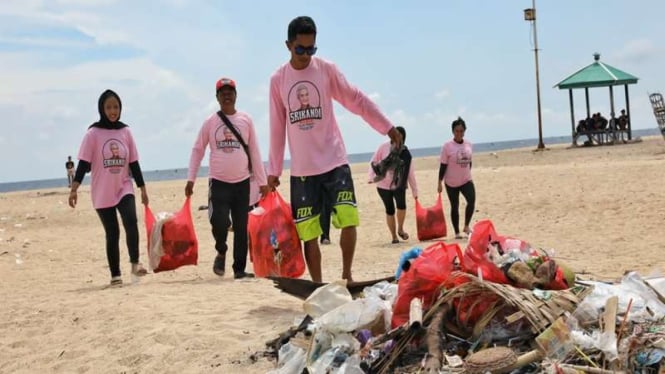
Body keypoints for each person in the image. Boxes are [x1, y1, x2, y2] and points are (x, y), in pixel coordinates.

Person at [267, 16, 402, 283]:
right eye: (300, 49)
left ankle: (346, 276)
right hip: (303, 170)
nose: (306, 55)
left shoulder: (326, 70)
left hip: (334, 161)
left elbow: (356, 99)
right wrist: (273, 170)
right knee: (310, 233)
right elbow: (276, 127)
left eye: (311, 49)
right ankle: (317, 285)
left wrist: (386, 127)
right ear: (288, 45)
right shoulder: (278, 79)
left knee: (349, 219)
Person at [185, 77, 268, 280]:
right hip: (219, 182)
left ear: (236, 95)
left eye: (230, 91)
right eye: (223, 92)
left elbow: (255, 151)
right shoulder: (210, 122)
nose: (227, 95)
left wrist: (263, 182)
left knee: (242, 227)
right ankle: (221, 250)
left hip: (242, 183)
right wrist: (190, 179)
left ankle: (239, 269)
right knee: (218, 221)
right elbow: (198, 150)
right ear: (217, 97)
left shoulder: (245, 120)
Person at [68, 89, 149, 286]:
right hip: (102, 191)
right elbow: (83, 164)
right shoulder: (93, 134)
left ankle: (135, 264)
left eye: (116, 107)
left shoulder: (126, 131)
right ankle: (115, 274)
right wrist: (74, 189)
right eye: (109, 107)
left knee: (131, 221)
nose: (113, 111)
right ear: (102, 109)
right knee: (112, 232)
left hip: (124, 186)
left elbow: (134, 163)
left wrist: (142, 188)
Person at [368, 126, 418, 244]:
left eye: (400, 136)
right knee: (389, 210)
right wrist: (371, 177)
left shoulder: (406, 154)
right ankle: (394, 236)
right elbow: (373, 161)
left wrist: (414, 191)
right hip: (383, 185)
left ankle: (400, 228)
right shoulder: (383, 147)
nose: (397, 138)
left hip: (399, 184)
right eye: (396, 135)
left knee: (401, 206)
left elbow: (410, 173)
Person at [437, 117, 476, 240]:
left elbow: (470, 161)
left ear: (464, 131)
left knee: (471, 200)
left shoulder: (469, 144)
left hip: (466, 180)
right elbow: (443, 165)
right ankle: (457, 232)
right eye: (456, 131)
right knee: (455, 205)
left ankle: (466, 226)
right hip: (451, 182)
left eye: (461, 131)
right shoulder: (447, 146)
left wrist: (468, 173)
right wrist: (439, 182)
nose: (459, 133)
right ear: (453, 131)